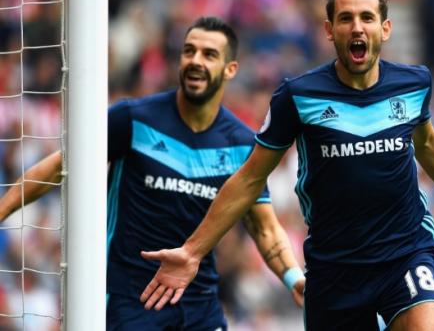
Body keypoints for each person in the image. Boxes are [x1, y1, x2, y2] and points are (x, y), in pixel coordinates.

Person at [140, 0, 434, 331]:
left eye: (367, 17)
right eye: (346, 18)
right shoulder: (298, 96)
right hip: (335, 268)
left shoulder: (413, 83)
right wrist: (192, 251)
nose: (357, 27)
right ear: (329, 30)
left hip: (405, 252)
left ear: (384, 29)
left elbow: (427, 143)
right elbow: (249, 179)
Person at [0, 16, 304, 330]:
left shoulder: (241, 144)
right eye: (189, 51)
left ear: (230, 69)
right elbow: (57, 167)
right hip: (130, 303)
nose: (195, 61)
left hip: (199, 306)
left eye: (209, 54)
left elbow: (264, 229)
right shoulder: (133, 119)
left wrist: (293, 277)